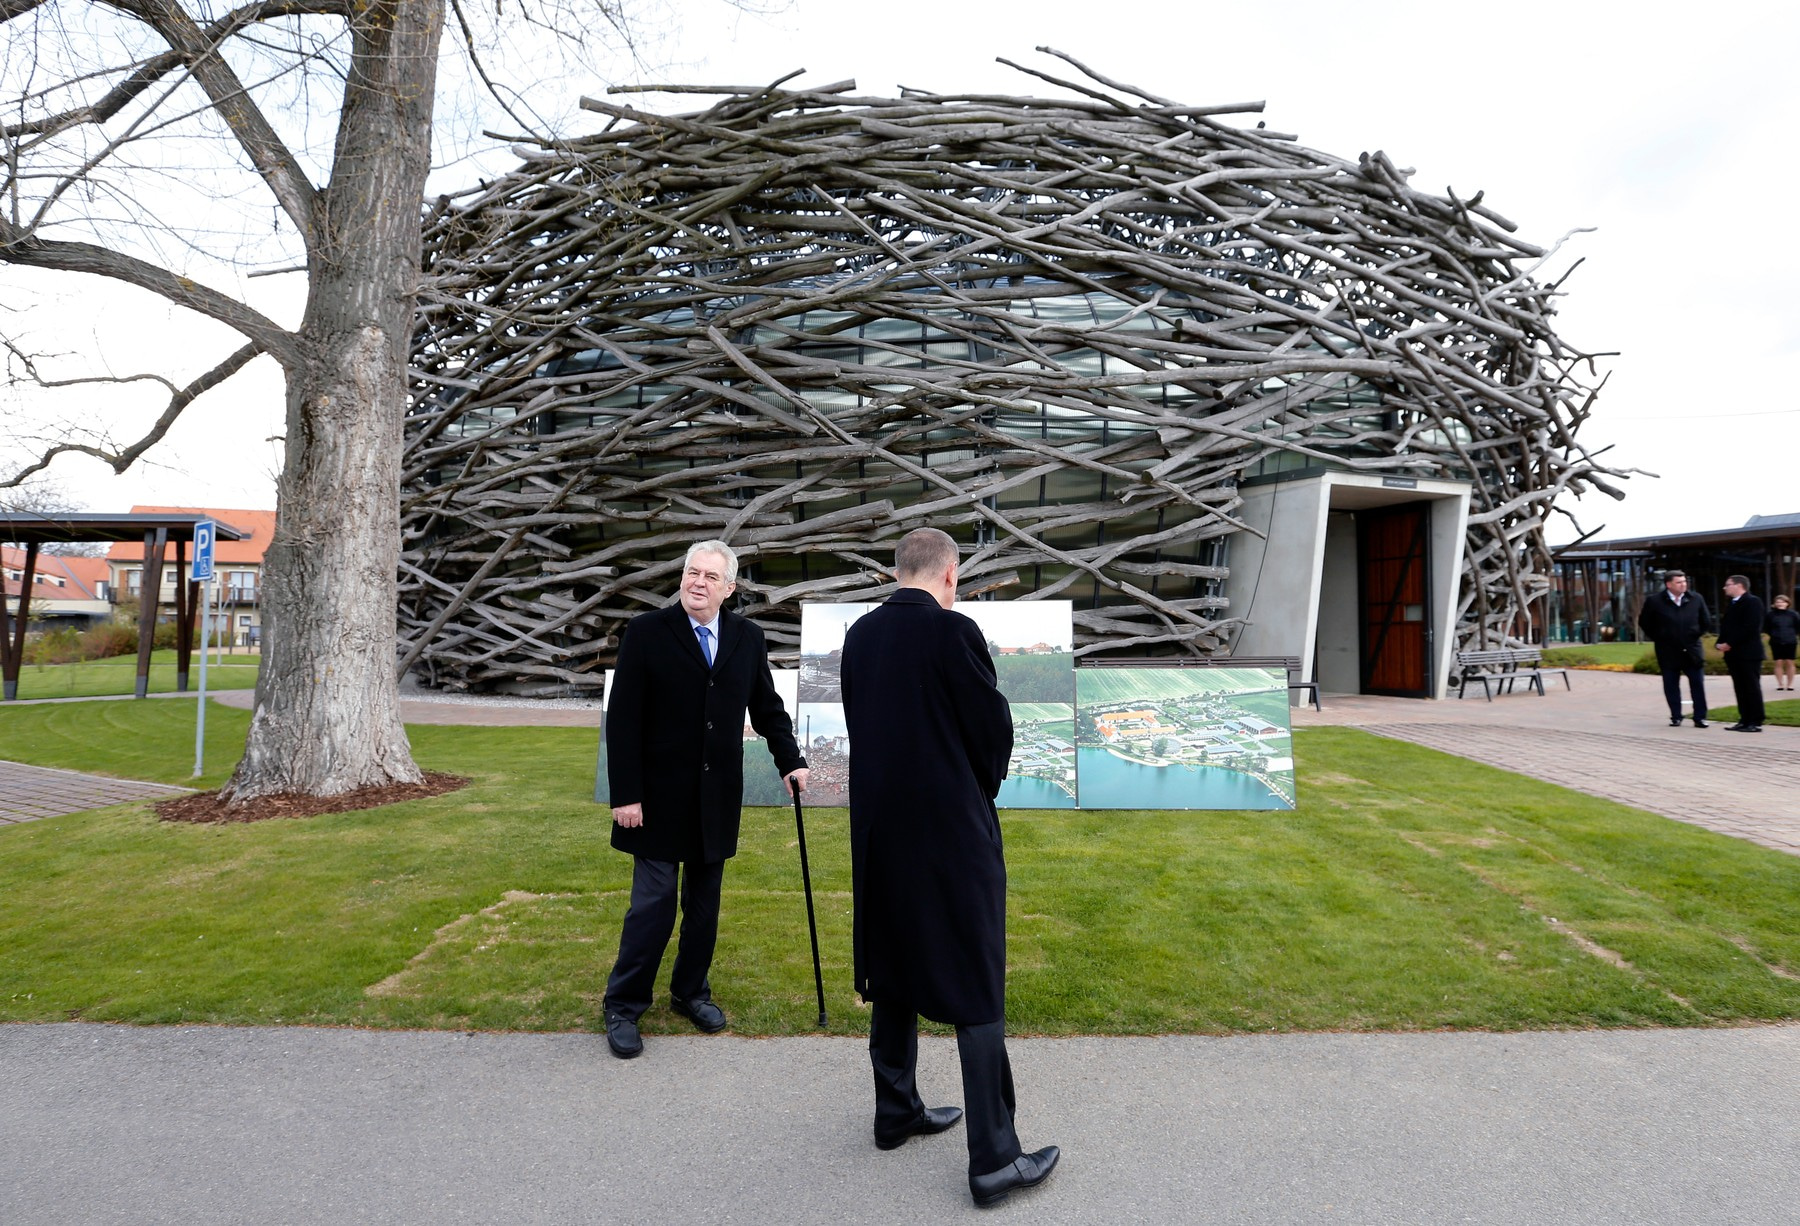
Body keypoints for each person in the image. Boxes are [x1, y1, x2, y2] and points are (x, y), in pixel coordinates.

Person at [839, 527, 1060, 1210]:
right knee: (974, 978)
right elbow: (993, 734)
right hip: (950, 834)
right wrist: (974, 791)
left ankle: (895, 1110)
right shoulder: (954, 633)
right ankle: (995, 1159)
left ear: (897, 570)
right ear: (950, 575)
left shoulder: (858, 637)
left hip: (880, 833)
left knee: (894, 964)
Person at [601, 539, 809, 1059]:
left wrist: (790, 759)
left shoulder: (747, 636)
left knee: (704, 907)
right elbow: (623, 719)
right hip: (654, 797)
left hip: (715, 796)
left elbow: (767, 706)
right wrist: (625, 795)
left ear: (730, 588)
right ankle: (623, 1005)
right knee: (652, 907)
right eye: (692, 572)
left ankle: (690, 992)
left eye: (710, 577)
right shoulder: (647, 632)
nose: (698, 582)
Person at [1637, 570, 1714, 728]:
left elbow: (1705, 621)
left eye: (1684, 581)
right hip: (1668, 650)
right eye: (1679, 582)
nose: (1683, 584)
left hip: (1692, 650)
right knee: (1671, 684)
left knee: (1697, 683)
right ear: (1668, 584)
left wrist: (1693, 635)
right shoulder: (1654, 601)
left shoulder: (1696, 598)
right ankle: (1676, 716)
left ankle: (1700, 717)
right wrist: (1661, 636)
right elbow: (1645, 622)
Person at [1716, 574, 1766, 733]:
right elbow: (1727, 627)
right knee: (1740, 687)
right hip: (1734, 655)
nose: (1725, 588)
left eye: (1727, 584)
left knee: (1751, 687)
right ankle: (1744, 719)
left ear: (1739, 585)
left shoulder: (1753, 602)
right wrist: (1720, 643)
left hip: (1749, 653)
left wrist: (1729, 643)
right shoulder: (1732, 604)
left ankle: (1755, 720)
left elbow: (1751, 628)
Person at [1766, 595, 1798, 692]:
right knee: (1778, 662)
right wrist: (1774, 634)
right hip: (1776, 641)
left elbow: (1797, 626)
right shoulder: (1770, 615)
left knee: (1789, 662)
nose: (1780, 604)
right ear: (1775, 604)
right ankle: (1780, 684)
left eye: (1782, 602)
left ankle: (1790, 684)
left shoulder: (1793, 614)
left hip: (1790, 641)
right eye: (1778, 602)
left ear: (1787, 603)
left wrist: (1791, 634)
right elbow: (1766, 627)